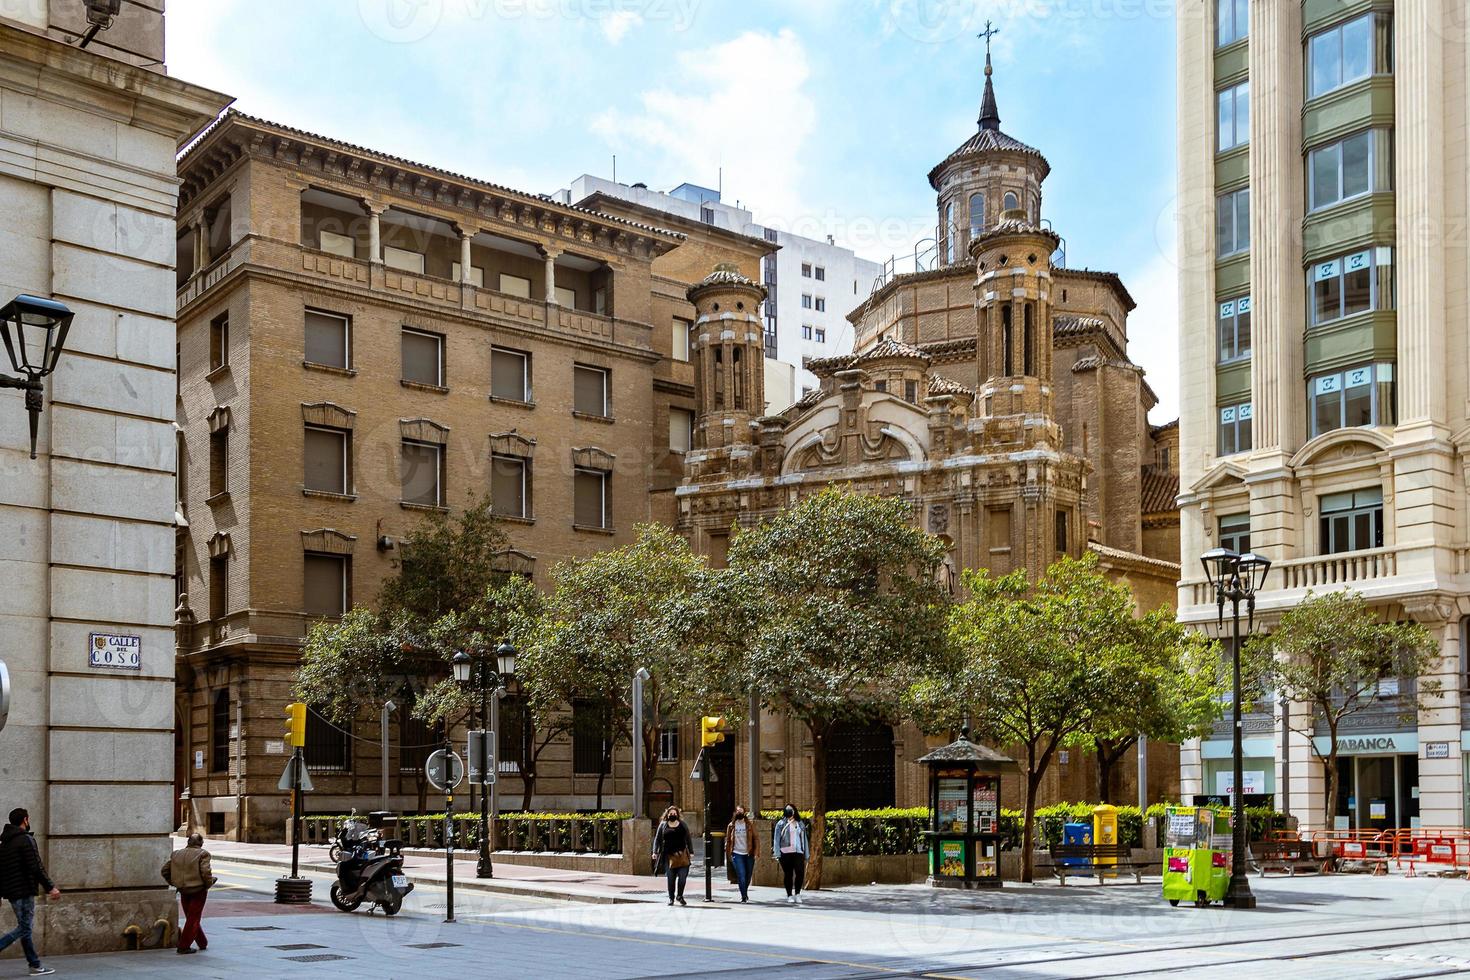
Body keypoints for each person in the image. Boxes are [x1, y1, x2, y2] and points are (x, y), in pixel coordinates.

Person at [0, 808, 59, 976]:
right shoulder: (26, 840)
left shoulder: (5, 843)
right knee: (24, 927)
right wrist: (50, 887)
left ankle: (34, 964)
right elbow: (36, 867)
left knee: (25, 928)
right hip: (24, 890)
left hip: (12, 893)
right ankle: (34, 964)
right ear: (25, 820)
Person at [162, 833, 216, 954]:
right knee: (193, 918)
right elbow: (206, 872)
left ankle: (202, 942)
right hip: (198, 890)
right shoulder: (203, 854)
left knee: (191, 917)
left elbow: (165, 870)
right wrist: (208, 884)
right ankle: (184, 946)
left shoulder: (176, 854)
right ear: (201, 843)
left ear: (188, 842)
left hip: (183, 890)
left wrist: (174, 882)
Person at [651, 806, 692, 906]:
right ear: (667, 814)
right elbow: (657, 839)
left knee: (682, 877)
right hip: (668, 856)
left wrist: (691, 851)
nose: (672, 815)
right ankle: (671, 898)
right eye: (671, 813)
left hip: (682, 855)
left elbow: (688, 838)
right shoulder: (663, 825)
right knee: (671, 878)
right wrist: (654, 852)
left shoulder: (682, 824)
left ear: (677, 815)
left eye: (674, 813)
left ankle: (680, 896)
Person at [771, 803, 808, 905]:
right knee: (788, 874)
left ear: (795, 811)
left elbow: (804, 839)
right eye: (788, 810)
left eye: (791, 810)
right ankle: (789, 895)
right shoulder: (780, 823)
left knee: (800, 872)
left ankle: (797, 894)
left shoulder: (800, 823)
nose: (790, 811)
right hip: (785, 852)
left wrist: (806, 853)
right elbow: (776, 839)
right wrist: (777, 853)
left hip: (798, 852)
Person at [724, 806, 757, 903]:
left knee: (748, 875)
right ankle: (743, 896)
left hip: (749, 853)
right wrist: (728, 853)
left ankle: (744, 891)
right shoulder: (731, 825)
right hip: (736, 853)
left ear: (745, 813)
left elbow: (756, 838)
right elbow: (728, 841)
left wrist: (756, 852)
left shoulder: (750, 824)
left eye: (741, 811)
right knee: (741, 875)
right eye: (738, 811)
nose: (739, 813)